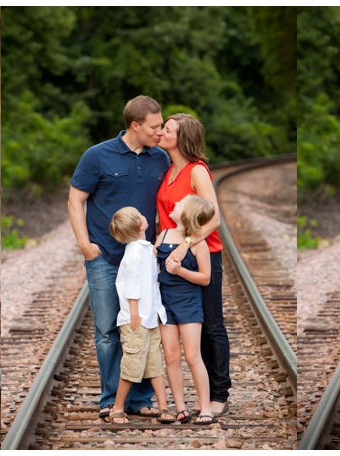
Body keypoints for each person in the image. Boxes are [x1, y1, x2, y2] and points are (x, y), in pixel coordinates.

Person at [68, 95, 170, 418]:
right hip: (105, 258)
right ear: (135, 125)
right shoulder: (96, 156)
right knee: (108, 332)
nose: (160, 131)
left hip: (143, 261)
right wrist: (85, 245)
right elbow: (75, 199)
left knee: (144, 326)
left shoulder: (161, 160)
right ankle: (111, 399)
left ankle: (139, 400)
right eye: (155, 126)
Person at [155, 113, 229, 417]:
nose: (160, 132)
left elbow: (214, 217)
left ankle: (219, 394)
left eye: (167, 129)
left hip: (202, 252)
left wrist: (186, 243)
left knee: (211, 323)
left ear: (181, 138)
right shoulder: (169, 170)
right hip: (171, 253)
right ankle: (192, 401)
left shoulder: (197, 171)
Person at [106, 207, 172, 425]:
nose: (145, 215)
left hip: (149, 318)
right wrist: (134, 315)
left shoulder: (144, 249)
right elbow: (132, 286)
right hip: (137, 319)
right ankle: (117, 408)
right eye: (140, 214)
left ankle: (163, 407)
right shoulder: (134, 252)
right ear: (140, 225)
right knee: (132, 364)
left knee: (154, 364)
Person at [157, 195, 217, 425]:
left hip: (188, 301)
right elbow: (151, 261)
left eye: (180, 203)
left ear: (188, 213)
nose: (175, 203)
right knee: (171, 355)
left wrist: (180, 271)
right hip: (165, 303)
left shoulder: (198, 244)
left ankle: (205, 408)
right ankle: (180, 406)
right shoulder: (163, 235)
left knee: (192, 356)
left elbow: (205, 278)